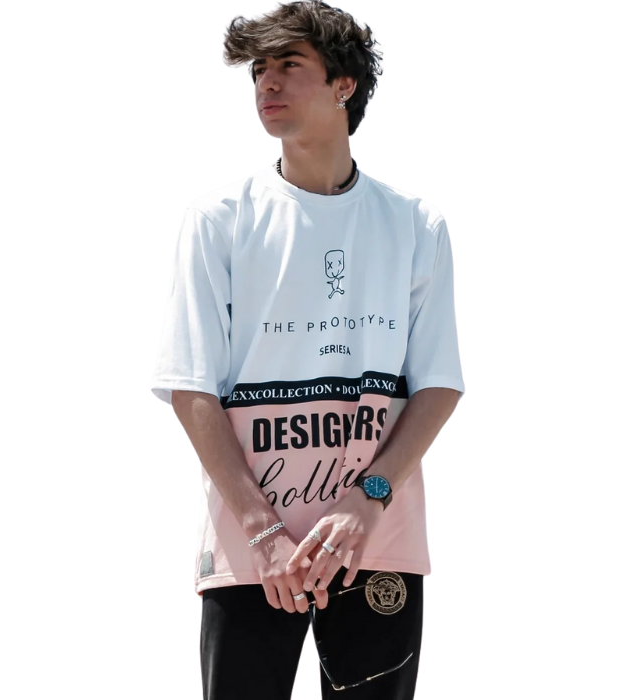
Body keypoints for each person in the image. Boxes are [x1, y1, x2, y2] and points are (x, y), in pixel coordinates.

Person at [149, 2, 465, 698]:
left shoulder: (415, 224)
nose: (267, 82)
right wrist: (262, 531)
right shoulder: (219, 220)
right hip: (252, 549)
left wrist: (367, 501)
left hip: (375, 540)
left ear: (344, 84)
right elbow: (190, 386)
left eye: (289, 65)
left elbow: (438, 383)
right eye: (258, 69)